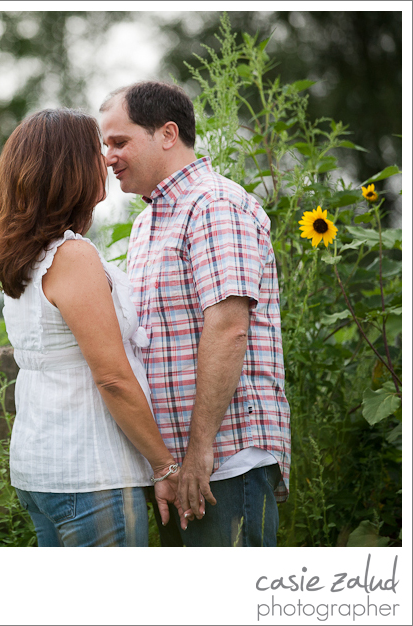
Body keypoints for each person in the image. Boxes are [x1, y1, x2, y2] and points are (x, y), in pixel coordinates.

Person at [99, 81, 291, 547]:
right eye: (105, 144)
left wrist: (199, 451)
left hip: (221, 460)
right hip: (175, 467)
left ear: (167, 134)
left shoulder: (215, 205)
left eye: (119, 141)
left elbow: (227, 330)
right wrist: (165, 462)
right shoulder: (148, 221)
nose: (108, 157)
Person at [0, 109, 183, 546]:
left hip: (42, 469)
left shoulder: (27, 255)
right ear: (69, 168)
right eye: (97, 151)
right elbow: (111, 377)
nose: (107, 161)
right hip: (91, 474)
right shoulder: (72, 256)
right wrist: (165, 466)